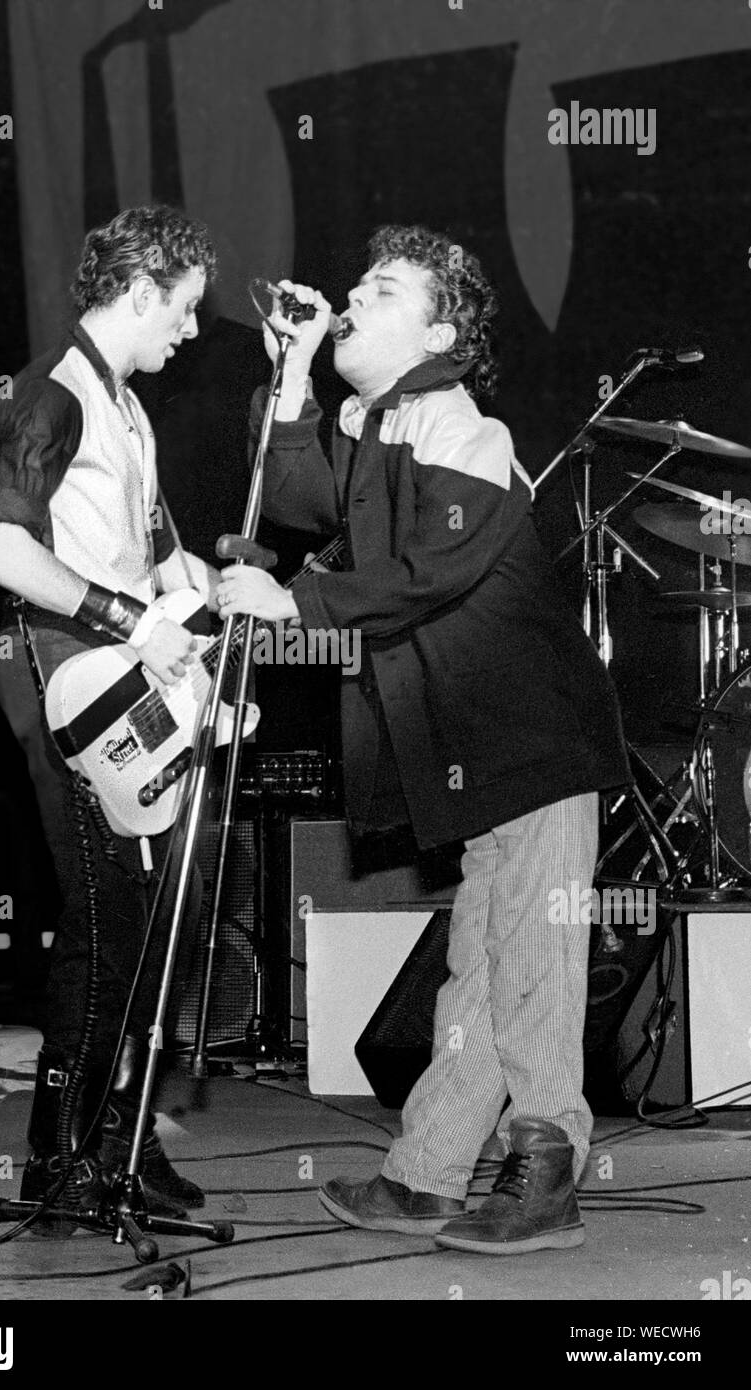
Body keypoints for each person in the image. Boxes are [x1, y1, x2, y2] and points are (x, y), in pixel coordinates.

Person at [217, 224, 632, 1254]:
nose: (353, 292)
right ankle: (428, 1173)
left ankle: (544, 1175)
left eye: (382, 287)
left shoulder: (460, 425)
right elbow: (289, 491)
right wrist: (298, 365)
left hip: (531, 740)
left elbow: (428, 567)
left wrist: (294, 600)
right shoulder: (375, 434)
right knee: (479, 970)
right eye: (355, 280)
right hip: (478, 755)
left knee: (529, 962)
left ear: (438, 330)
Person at [0, 204, 221, 1229]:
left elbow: (161, 554)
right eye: (185, 308)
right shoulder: (52, 395)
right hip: (61, 675)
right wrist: (130, 617)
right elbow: (1, 554)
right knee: (105, 914)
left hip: (128, 682)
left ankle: (119, 1137)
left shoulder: (127, 407)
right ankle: (57, 1161)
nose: (194, 331)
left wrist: (220, 600)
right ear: (137, 293)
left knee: (172, 910)